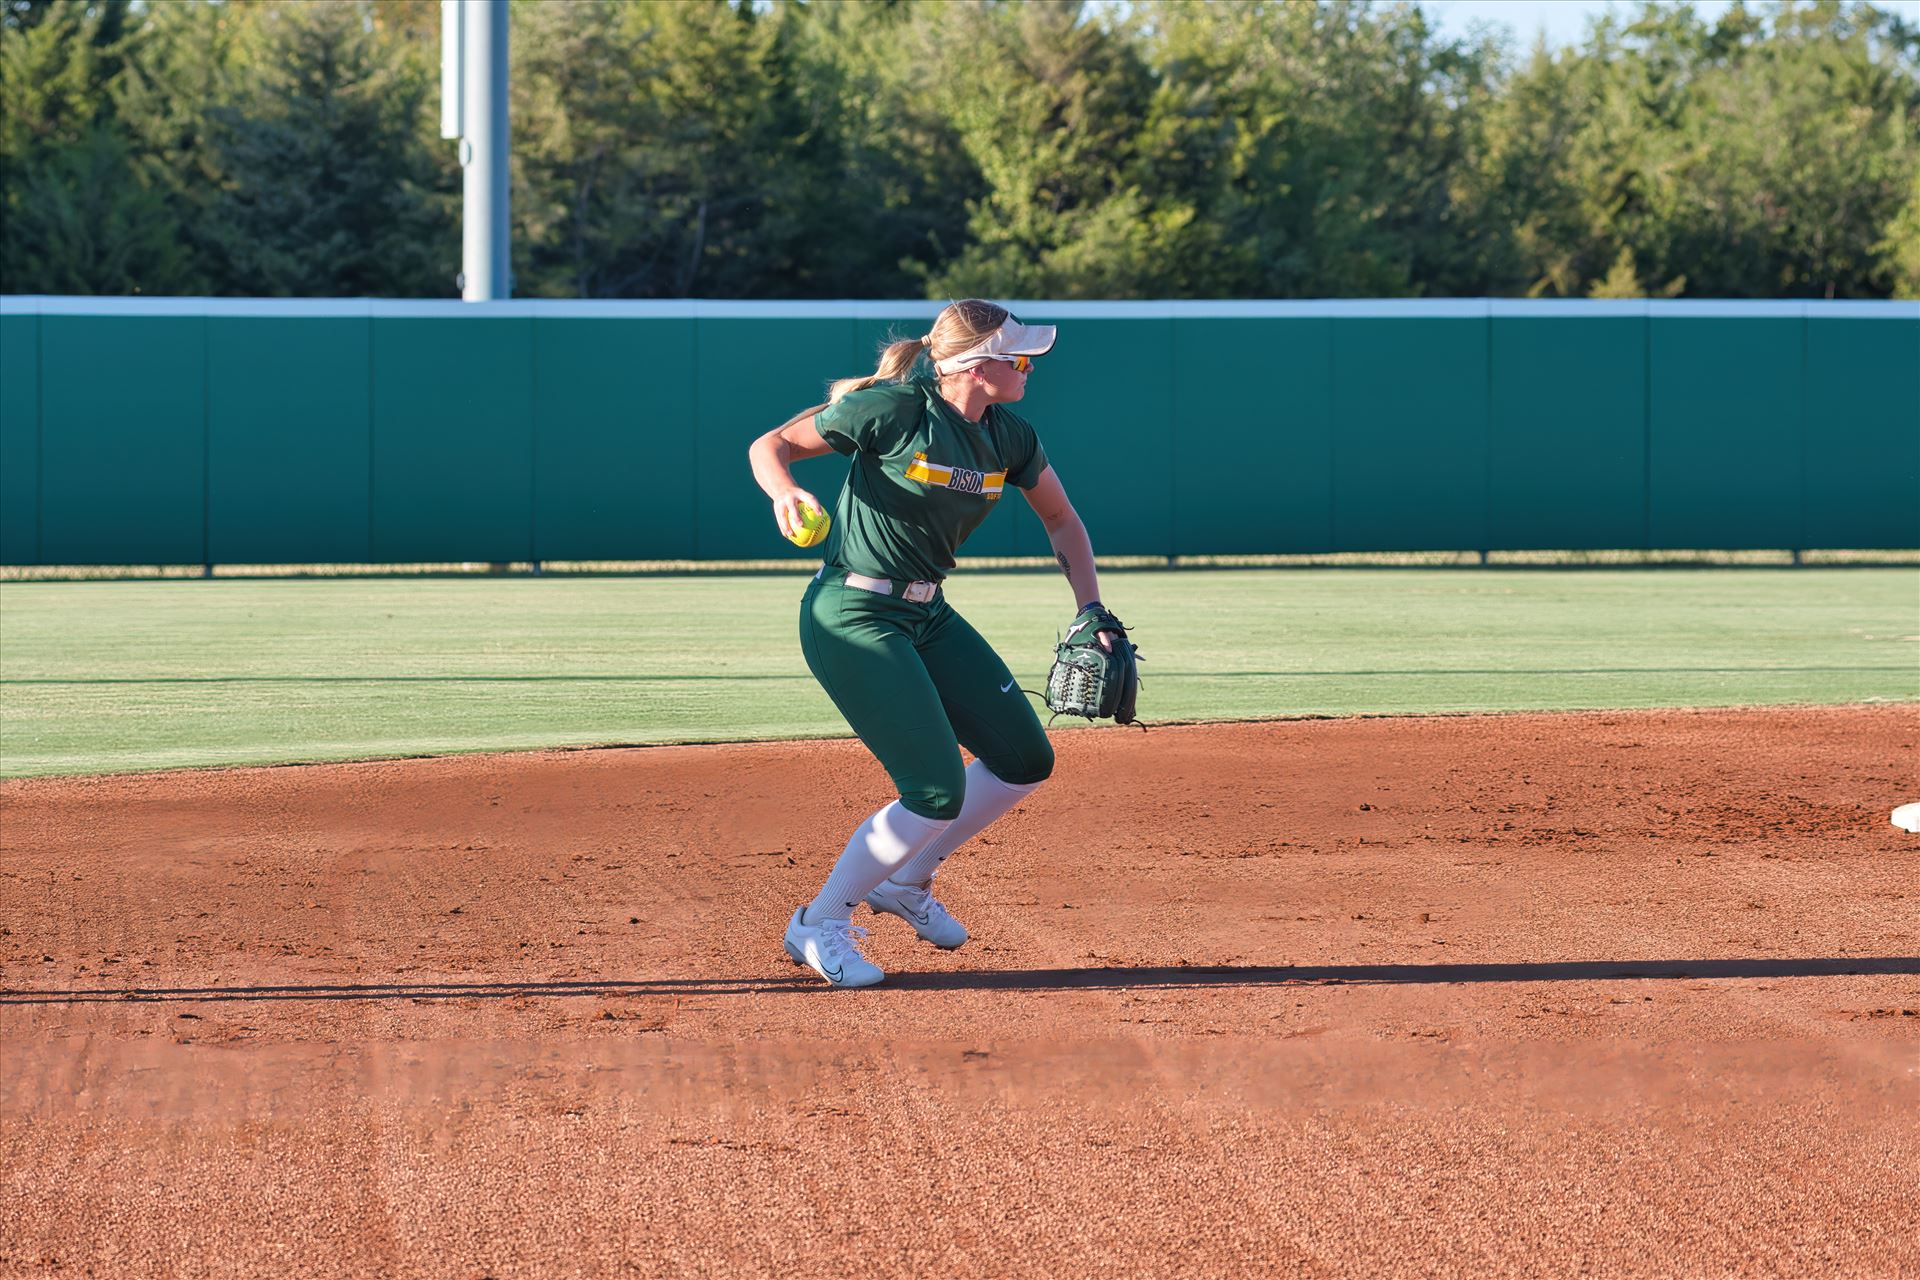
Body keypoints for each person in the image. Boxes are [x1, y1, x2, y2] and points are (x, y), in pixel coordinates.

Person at [746, 299, 1123, 988]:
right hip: (853, 612)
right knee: (932, 790)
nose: (1030, 367)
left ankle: (906, 878)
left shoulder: (1009, 436)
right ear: (977, 365)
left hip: (927, 613)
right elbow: (771, 445)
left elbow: (1062, 521)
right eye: (1020, 357)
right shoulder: (894, 410)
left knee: (1024, 759)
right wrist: (784, 492)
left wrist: (1090, 606)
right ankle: (819, 921)